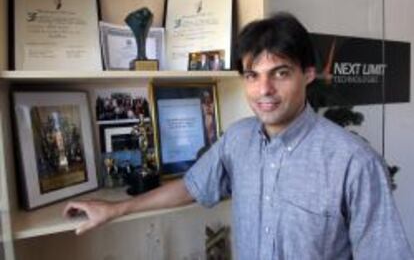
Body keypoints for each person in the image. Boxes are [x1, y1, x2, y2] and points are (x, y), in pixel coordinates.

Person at [63, 13, 414, 259]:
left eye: (280, 73)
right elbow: (192, 185)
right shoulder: (238, 139)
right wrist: (116, 208)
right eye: (252, 75)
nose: (264, 90)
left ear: (308, 74)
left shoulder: (353, 161)